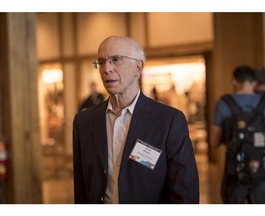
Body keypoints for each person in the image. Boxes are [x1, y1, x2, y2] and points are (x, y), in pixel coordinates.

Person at [73, 35, 199, 204]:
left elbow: (184, 190)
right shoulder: (84, 122)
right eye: (101, 62)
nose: (106, 69)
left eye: (116, 59)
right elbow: (81, 188)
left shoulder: (169, 121)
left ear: (138, 68)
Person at [210, 65, 265, 204]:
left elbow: (214, 141)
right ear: (254, 82)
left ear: (234, 81)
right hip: (261, 171)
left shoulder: (224, 103)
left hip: (234, 172)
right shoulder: (263, 102)